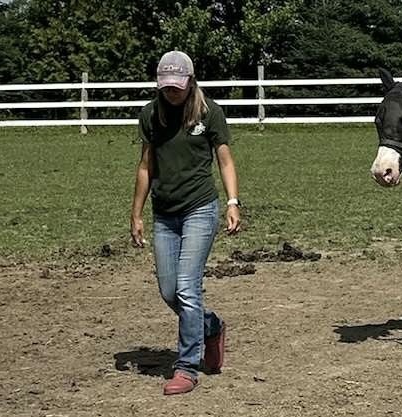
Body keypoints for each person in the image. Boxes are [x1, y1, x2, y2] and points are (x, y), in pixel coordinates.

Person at [130, 50, 241, 394]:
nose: (172, 92)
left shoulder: (209, 112)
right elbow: (146, 166)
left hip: (199, 209)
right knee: (169, 291)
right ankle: (210, 327)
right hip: (164, 213)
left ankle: (187, 367)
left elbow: (224, 160)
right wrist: (136, 213)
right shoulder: (151, 115)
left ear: (190, 81)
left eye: (178, 86)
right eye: (166, 87)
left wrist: (233, 201)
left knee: (187, 289)